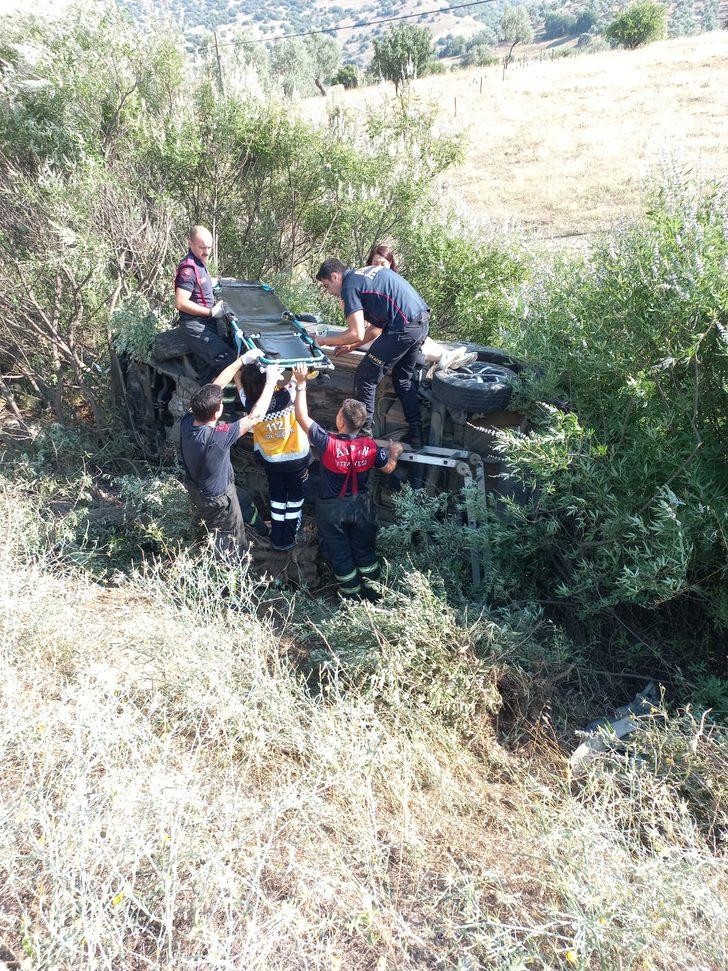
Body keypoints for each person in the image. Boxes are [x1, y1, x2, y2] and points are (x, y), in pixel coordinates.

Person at [292, 364, 404, 599]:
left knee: (341, 556)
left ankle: (352, 597)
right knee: (365, 552)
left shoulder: (328, 443)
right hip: (361, 507)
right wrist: (394, 452)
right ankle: (375, 594)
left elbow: (301, 416)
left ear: (341, 422)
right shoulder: (370, 446)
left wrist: (301, 383)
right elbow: (388, 468)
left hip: (332, 511)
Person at [315, 257, 430, 448]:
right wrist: (352, 346)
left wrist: (322, 341)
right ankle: (417, 436)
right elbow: (375, 328)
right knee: (402, 379)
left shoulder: (349, 287)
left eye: (327, 286)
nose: (329, 292)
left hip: (403, 329)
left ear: (335, 277)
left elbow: (355, 332)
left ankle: (364, 437)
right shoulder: (362, 276)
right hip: (420, 322)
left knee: (365, 377)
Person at [180, 356, 283, 556]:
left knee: (242, 500)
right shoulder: (218, 437)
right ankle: (233, 569)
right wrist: (271, 382)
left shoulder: (188, 420)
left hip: (203, 489)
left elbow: (215, 387)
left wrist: (241, 360)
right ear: (217, 414)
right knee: (231, 543)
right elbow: (255, 417)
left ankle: (262, 530)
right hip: (217, 501)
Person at [333, 244, 476, 374]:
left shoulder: (390, 285)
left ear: (390, 264)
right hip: (373, 335)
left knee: (411, 341)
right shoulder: (359, 285)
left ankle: (446, 355)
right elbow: (364, 327)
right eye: (375, 263)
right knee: (406, 349)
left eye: (383, 263)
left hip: (392, 333)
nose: (379, 267)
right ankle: (445, 356)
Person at [239, 357, 311, 551]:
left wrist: (242, 364)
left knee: (277, 497)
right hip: (296, 459)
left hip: (271, 461)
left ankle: (277, 537)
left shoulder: (249, 403)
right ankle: (289, 538)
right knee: (295, 499)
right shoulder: (287, 396)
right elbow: (298, 380)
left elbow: (240, 383)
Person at [174, 226, 238, 384]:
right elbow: (181, 302)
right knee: (231, 361)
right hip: (195, 326)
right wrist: (211, 312)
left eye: (209, 247)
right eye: (202, 247)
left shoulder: (199, 262)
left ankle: (205, 399)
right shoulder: (188, 268)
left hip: (207, 324)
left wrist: (221, 281)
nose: (207, 252)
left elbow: (199, 284)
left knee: (207, 373)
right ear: (190, 243)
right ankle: (243, 398)